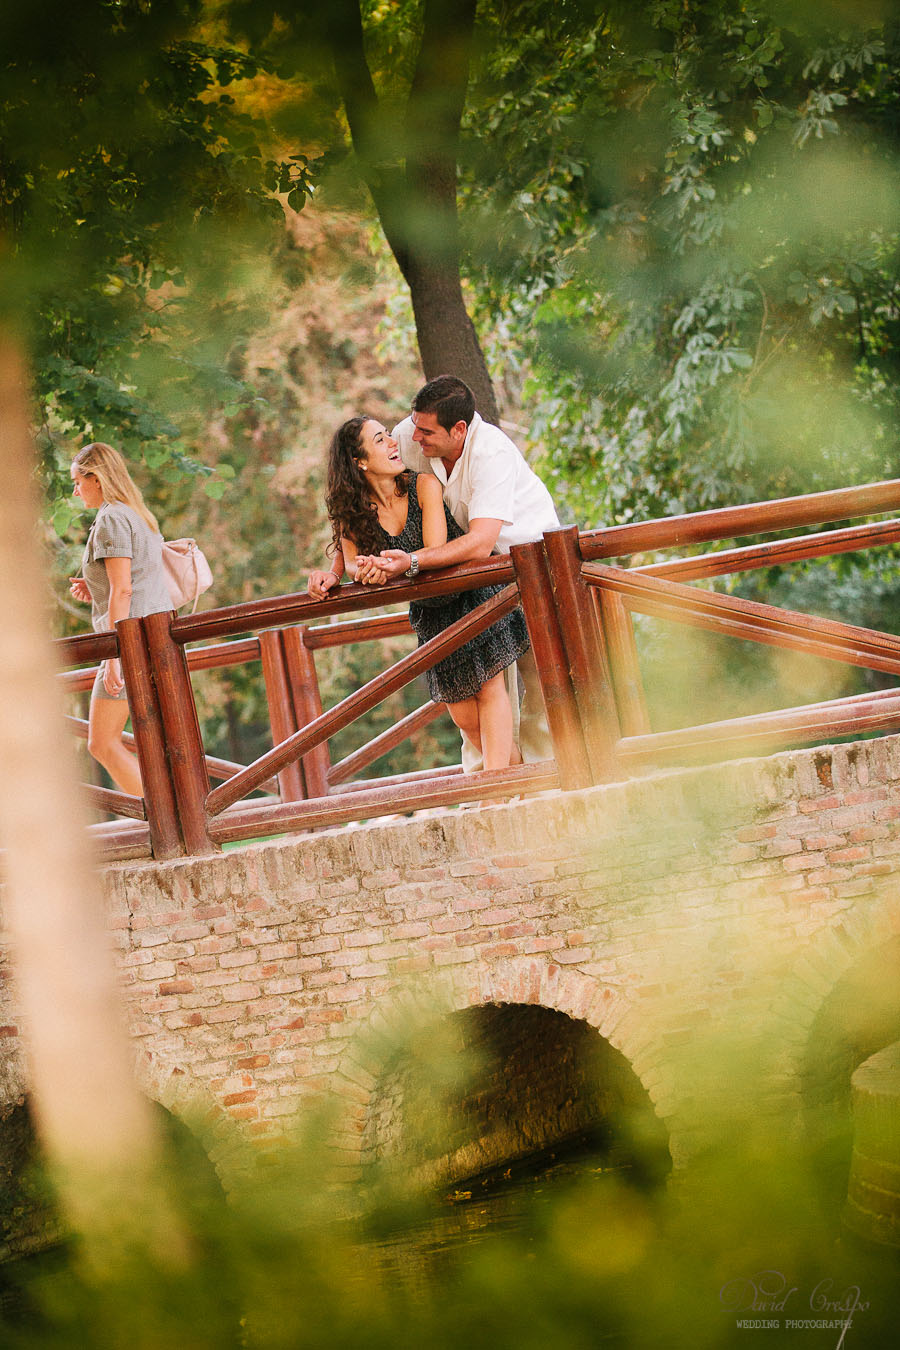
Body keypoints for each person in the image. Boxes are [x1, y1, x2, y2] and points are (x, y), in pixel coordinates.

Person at [308, 375, 560, 766]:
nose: (406, 438)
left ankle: (524, 788)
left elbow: (474, 543)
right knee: (465, 716)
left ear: (458, 430)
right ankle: (501, 780)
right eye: (407, 429)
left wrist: (405, 564)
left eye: (424, 431)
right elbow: (356, 540)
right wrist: (341, 570)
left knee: (537, 688)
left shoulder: (487, 454)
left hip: (519, 564)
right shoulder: (410, 437)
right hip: (441, 593)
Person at [69, 442, 173, 796]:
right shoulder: (135, 513)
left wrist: (115, 655)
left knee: (102, 743)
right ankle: (165, 819)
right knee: (144, 741)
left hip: (130, 642)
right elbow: (131, 580)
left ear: (95, 478)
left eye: (77, 481)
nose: (76, 490)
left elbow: (124, 590)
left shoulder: (112, 518)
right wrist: (93, 587)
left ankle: (158, 819)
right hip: (152, 635)